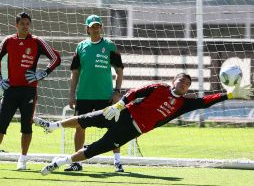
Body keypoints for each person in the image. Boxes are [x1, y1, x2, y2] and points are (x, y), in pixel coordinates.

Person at [33, 73, 253, 176]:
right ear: (173, 80)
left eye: (188, 84)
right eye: (181, 81)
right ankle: (53, 126)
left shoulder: (184, 103)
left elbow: (206, 102)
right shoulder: (158, 87)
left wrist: (230, 94)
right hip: (124, 114)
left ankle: (61, 161)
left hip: (133, 130)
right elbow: (134, 92)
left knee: (98, 148)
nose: (184, 85)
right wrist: (119, 106)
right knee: (87, 119)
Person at [0, 12, 61, 170]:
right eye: (22, 24)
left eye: (28, 24)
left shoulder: (37, 41)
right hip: (11, 90)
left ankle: (22, 159)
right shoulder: (8, 41)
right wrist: (1, 79)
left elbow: (56, 58)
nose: (25, 26)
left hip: (29, 90)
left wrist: (42, 73)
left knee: (26, 126)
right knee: (1, 123)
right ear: (16, 25)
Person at [66, 14, 124, 172]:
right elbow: (75, 72)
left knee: (113, 128)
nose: (95, 28)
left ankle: (117, 162)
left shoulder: (109, 45)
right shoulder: (81, 46)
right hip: (84, 95)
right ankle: (77, 162)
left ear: (101, 27)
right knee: (79, 127)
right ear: (87, 29)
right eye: (92, 26)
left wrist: (116, 92)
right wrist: (72, 94)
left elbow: (119, 70)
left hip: (105, 95)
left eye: (98, 25)